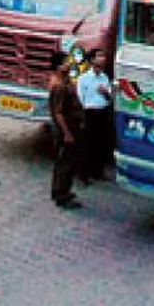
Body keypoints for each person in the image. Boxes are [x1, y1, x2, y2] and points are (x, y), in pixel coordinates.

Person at [48, 52, 85, 207]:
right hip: (66, 128)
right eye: (65, 63)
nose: (69, 64)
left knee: (67, 161)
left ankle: (62, 191)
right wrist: (67, 133)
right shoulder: (59, 86)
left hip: (72, 125)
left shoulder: (65, 80)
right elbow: (58, 113)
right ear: (58, 67)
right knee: (65, 163)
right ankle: (61, 195)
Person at [78, 51, 113, 182]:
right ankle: (84, 174)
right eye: (99, 57)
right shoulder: (84, 78)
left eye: (104, 57)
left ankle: (98, 171)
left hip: (102, 113)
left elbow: (109, 98)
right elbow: (80, 98)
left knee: (101, 143)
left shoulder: (105, 78)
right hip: (89, 113)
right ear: (92, 61)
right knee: (87, 144)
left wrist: (105, 93)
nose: (102, 59)